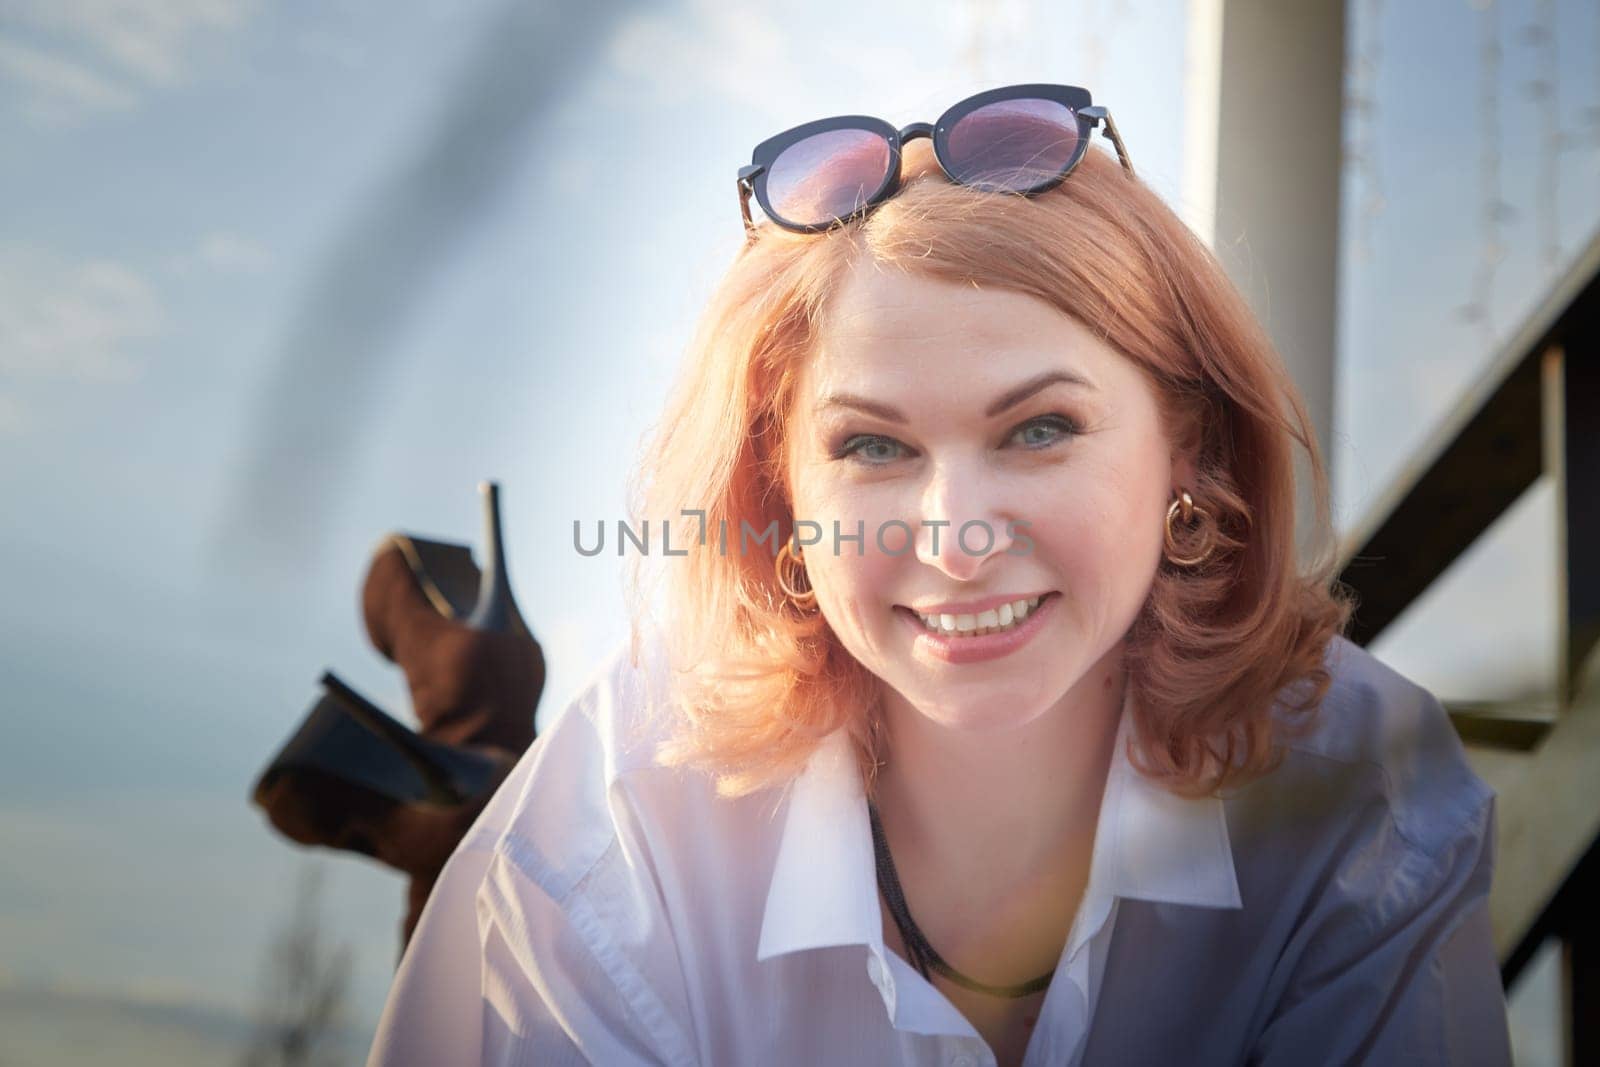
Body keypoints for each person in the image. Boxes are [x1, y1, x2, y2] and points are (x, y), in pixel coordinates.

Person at [366, 84, 1512, 1066]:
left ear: (1190, 452)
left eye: (1038, 429)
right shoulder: (629, 801)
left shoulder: (1362, 794)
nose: (955, 533)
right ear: (785, 500)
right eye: (872, 446)